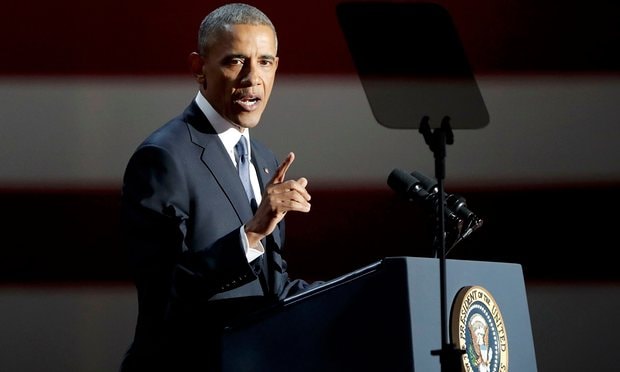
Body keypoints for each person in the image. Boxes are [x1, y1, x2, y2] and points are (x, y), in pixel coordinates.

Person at [119, 3, 321, 371]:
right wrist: (252, 233)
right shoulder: (163, 157)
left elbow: (270, 290)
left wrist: (358, 293)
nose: (252, 77)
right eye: (235, 61)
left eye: (264, 62)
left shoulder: (263, 159)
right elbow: (165, 295)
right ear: (199, 69)